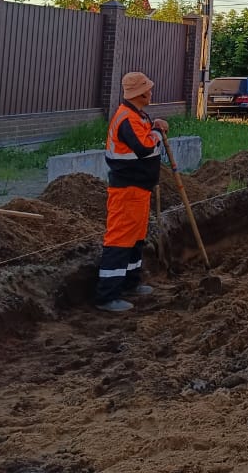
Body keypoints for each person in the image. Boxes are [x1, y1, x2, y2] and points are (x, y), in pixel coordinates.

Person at [95, 71, 167, 313]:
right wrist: (158, 132)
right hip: (127, 190)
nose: (151, 92)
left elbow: (144, 134)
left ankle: (130, 282)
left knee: (136, 238)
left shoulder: (138, 115)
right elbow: (144, 147)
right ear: (140, 93)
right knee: (120, 239)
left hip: (140, 189)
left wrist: (154, 125)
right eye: (148, 88)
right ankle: (107, 295)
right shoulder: (127, 118)